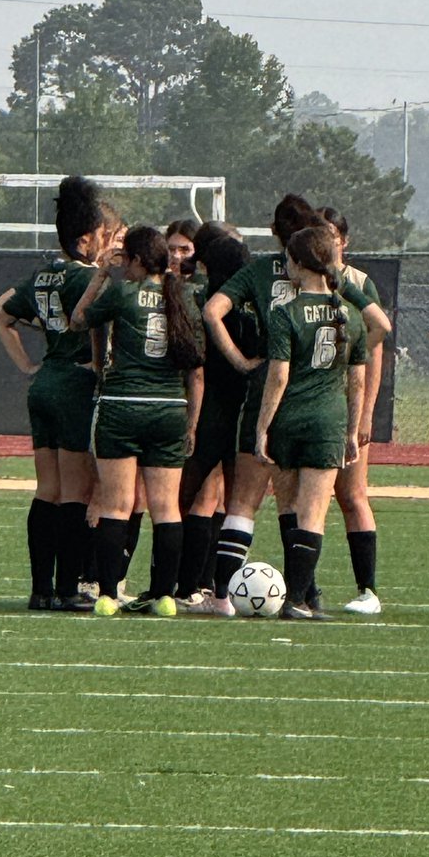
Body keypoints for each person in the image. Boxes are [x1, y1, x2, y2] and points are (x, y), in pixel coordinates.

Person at [202, 195, 390, 617]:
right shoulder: (347, 293)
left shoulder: (274, 292)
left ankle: (222, 596)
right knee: (312, 510)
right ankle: (304, 594)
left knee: (248, 502)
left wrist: (241, 363)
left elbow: (214, 313)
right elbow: (379, 332)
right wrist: (351, 362)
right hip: (326, 409)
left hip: (272, 405)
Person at [71, 225, 205, 617]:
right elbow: (196, 372)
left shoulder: (123, 292)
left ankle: (108, 595)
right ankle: (164, 595)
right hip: (168, 408)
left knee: (116, 505)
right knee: (167, 508)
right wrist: (192, 423)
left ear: (134, 260)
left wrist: (100, 273)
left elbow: (80, 318)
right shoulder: (183, 295)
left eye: (125, 259)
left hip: (123, 405)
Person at [0, 175, 109, 612]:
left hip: (44, 384)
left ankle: (41, 589)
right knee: (75, 493)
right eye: (101, 236)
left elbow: (1, 317)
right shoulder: (87, 280)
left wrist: (28, 366)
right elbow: (101, 326)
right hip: (75, 385)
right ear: (84, 240)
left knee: (48, 490)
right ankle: (67, 588)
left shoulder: (42, 273)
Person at [255, 225, 367, 619]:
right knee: (314, 513)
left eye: (288, 258)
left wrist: (262, 426)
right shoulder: (350, 314)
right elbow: (357, 380)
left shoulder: (285, 312)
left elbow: (278, 376)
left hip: (289, 418)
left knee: (288, 507)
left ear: (300, 264)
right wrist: (352, 430)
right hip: (327, 421)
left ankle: (301, 594)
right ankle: (301, 598)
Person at [176, 234, 257, 608]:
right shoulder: (256, 302)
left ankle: (182, 583)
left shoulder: (201, 300)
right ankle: (220, 590)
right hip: (244, 410)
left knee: (181, 496)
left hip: (209, 409)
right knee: (234, 502)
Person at [317, 206, 386, 615]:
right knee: (308, 498)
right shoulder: (299, 278)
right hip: (310, 403)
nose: (326, 241)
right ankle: (306, 586)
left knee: (352, 494)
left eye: (331, 234)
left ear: (344, 240)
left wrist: (364, 415)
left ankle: (368, 589)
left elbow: (374, 353)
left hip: (345, 400)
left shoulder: (359, 284)